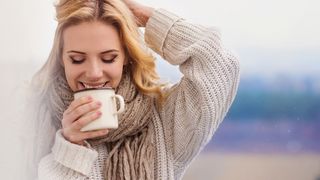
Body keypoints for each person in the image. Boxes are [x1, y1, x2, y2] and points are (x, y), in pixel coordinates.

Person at [24, 0, 240, 179]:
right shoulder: (38, 117)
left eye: (109, 58)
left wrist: (145, 17)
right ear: (62, 59)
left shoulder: (164, 121)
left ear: (126, 56)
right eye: (78, 59)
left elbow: (219, 64)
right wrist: (71, 149)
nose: (94, 73)